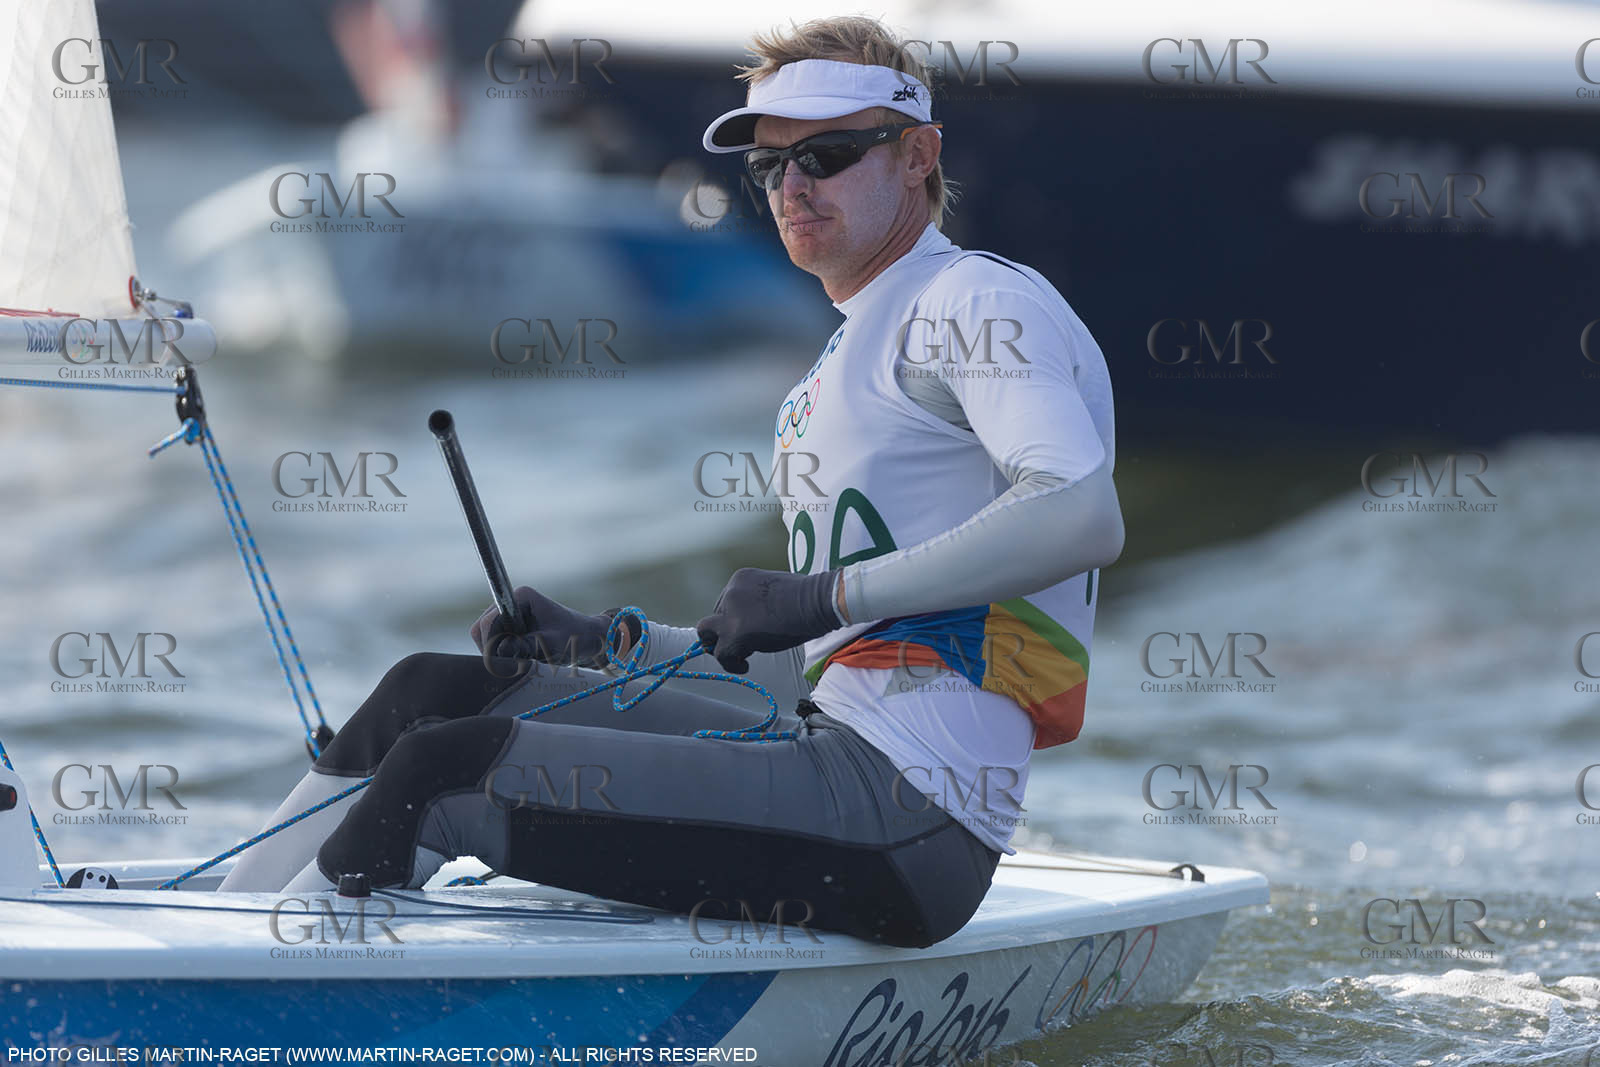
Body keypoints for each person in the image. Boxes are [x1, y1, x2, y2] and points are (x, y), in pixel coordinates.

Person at [218, 14, 1123, 950]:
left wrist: (824, 593)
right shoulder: (827, 379)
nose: (793, 187)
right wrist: (615, 642)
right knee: (429, 695)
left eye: (829, 154)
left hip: (909, 820)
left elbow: (1080, 511)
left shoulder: (977, 301)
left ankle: (263, 991)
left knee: (442, 774)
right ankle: (225, 927)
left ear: (918, 156)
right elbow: (824, 652)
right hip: (825, 758)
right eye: (773, 167)